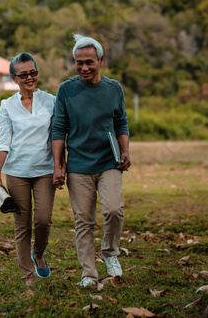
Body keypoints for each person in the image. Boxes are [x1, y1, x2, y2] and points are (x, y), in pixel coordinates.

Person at [52, 34, 131, 287]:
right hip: (79, 166)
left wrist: (125, 150)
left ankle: (109, 253)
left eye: (89, 62)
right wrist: (58, 165)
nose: (84, 67)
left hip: (110, 162)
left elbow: (121, 122)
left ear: (101, 61)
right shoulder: (66, 89)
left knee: (113, 210)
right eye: (79, 62)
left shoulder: (113, 88)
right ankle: (88, 273)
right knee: (84, 220)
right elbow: (58, 129)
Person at [0, 52, 57, 286]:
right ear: (14, 79)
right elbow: (4, 141)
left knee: (44, 220)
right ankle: (28, 276)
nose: (30, 77)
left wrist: (60, 165)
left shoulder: (51, 101)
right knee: (22, 226)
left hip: (45, 170)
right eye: (24, 74)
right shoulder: (7, 106)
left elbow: (58, 136)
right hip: (17, 172)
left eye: (33, 72)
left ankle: (38, 253)